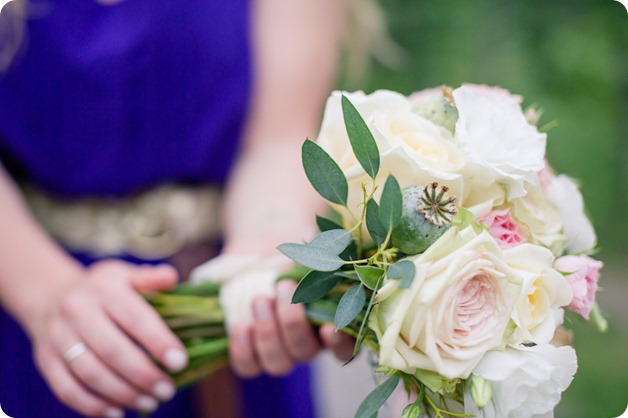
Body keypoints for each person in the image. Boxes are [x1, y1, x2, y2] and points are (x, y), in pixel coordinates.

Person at [0, 0, 353, 417]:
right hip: (30, 288)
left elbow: (280, 136)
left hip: (227, 296)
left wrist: (272, 240)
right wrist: (47, 294)